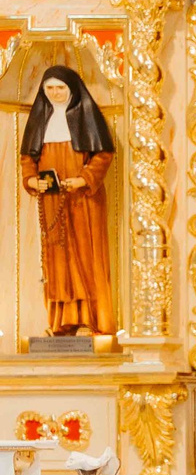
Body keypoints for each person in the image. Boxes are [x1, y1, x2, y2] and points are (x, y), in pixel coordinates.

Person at [19, 65, 116, 336]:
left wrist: (84, 178)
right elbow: (28, 157)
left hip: (83, 200)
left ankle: (89, 320)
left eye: (60, 88)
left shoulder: (86, 116)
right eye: (49, 88)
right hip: (51, 202)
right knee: (57, 260)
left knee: (85, 257)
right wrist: (31, 180)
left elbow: (103, 154)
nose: (55, 93)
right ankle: (61, 323)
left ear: (72, 90)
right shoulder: (41, 119)